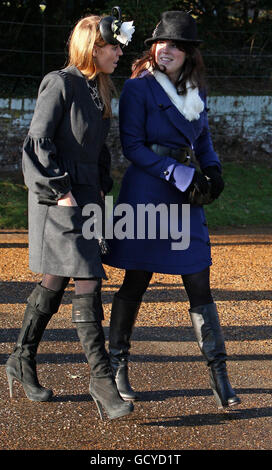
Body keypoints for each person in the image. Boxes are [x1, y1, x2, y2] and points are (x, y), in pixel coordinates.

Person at [102, 11, 241, 410]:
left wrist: (212, 170)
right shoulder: (139, 88)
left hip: (185, 198)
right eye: (162, 43)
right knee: (136, 281)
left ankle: (220, 378)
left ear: (189, 53)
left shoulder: (196, 90)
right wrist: (178, 172)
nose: (168, 50)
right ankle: (116, 368)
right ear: (153, 47)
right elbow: (132, 148)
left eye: (177, 45)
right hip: (148, 191)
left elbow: (205, 139)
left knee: (199, 280)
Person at [5, 7, 135, 420]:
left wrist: (99, 183)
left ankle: (20, 358)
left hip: (86, 197)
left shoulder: (99, 89)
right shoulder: (59, 83)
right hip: (58, 198)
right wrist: (61, 193)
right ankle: (101, 381)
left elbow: (95, 148)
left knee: (55, 281)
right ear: (92, 48)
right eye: (112, 46)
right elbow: (37, 142)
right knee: (88, 280)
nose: (118, 53)